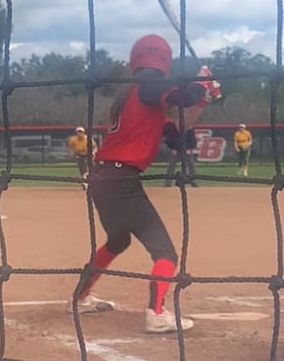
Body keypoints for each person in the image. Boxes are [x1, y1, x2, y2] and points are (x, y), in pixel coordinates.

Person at [69, 34, 221, 333]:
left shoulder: (137, 96)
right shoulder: (149, 85)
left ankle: (81, 297)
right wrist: (200, 84)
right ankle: (156, 314)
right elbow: (183, 96)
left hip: (103, 179)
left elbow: (178, 134)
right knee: (165, 253)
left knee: (118, 241)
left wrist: (203, 99)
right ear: (163, 60)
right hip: (120, 181)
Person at [160, 123, 197, 188]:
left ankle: (193, 182)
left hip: (186, 150)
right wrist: (172, 148)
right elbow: (169, 139)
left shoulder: (189, 128)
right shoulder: (173, 128)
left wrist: (190, 148)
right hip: (175, 150)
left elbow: (192, 139)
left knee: (191, 164)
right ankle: (167, 183)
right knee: (171, 165)